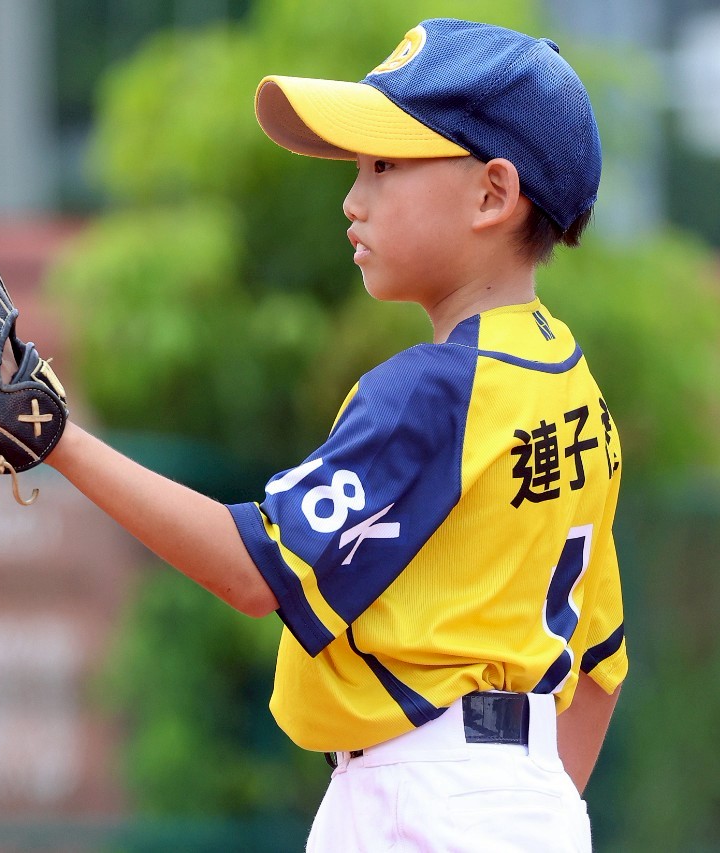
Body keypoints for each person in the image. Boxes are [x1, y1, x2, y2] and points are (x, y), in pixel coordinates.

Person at [45, 18, 625, 851]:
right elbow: (599, 667)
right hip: (524, 797)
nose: (354, 199)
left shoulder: (434, 392)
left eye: (385, 165)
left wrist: (55, 437)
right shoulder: (578, 395)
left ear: (494, 194)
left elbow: (255, 571)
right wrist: (522, 803)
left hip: (421, 795)